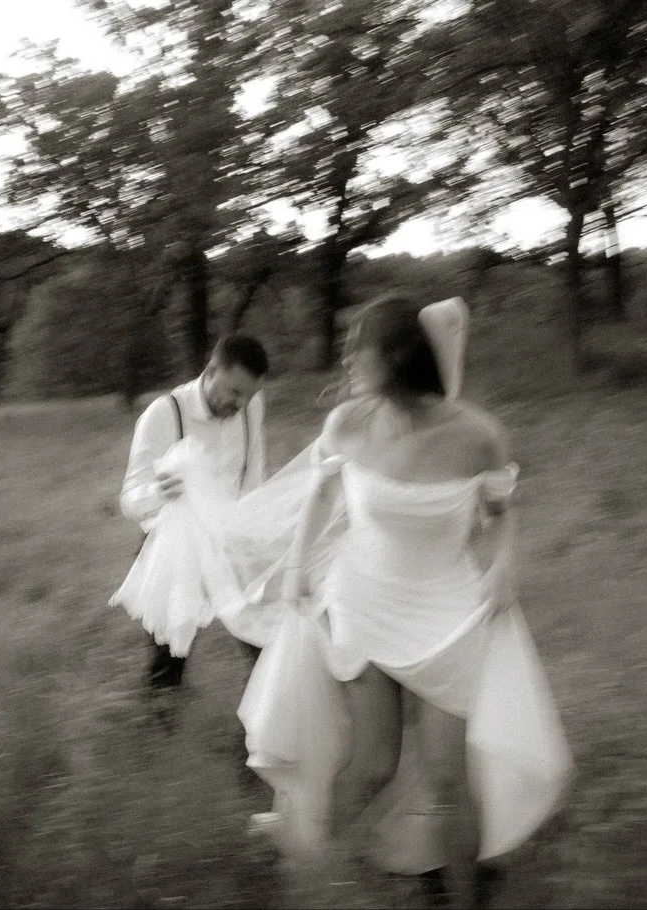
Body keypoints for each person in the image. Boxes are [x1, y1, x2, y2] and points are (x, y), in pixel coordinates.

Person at [236, 295, 573, 909]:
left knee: (449, 779)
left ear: (395, 355)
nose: (344, 356)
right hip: (363, 603)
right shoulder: (349, 424)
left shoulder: (477, 436)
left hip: (446, 616)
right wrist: (295, 570)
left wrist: (504, 564)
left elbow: (501, 514)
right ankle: (304, 875)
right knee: (372, 768)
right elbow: (319, 497)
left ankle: (466, 898)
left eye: (355, 344)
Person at [112, 334, 270, 693]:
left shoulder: (252, 406)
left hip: (234, 544)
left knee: (265, 644)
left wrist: (253, 535)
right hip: (176, 547)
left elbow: (254, 474)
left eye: (249, 394)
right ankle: (158, 733)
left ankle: (261, 738)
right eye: (234, 392)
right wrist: (158, 492)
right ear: (211, 371)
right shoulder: (164, 414)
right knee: (167, 663)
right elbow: (129, 499)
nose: (242, 403)